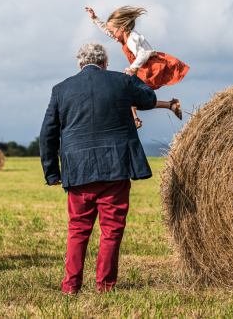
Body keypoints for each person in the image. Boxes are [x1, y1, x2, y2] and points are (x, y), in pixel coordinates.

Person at [39, 41, 157, 294]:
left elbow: (48, 133)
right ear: (105, 62)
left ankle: (71, 286)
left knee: (78, 230)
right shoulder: (121, 80)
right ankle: (105, 286)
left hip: (78, 170)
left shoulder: (60, 89)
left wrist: (52, 172)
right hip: (115, 167)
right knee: (111, 230)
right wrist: (133, 75)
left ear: (80, 64)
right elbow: (149, 99)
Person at [86, 6, 188, 129]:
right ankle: (162, 108)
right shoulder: (124, 36)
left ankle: (138, 118)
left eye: (113, 32)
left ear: (123, 28)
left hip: (148, 67)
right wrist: (95, 19)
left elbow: (143, 54)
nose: (112, 35)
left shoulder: (131, 39)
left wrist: (133, 68)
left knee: (134, 94)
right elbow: (108, 31)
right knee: (132, 94)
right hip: (142, 68)